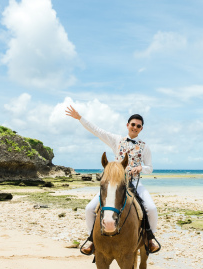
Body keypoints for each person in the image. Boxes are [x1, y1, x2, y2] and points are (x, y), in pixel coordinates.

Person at [64, 105, 160, 255]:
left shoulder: (144, 147)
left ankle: (150, 238)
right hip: (115, 183)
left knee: (151, 209)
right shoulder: (117, 140)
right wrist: (80, 118)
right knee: (90, 209)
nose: (135, 127)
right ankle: (91, 239)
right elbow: (97, 131)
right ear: (127, 125)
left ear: (141, 129)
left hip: (135, 182)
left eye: (138, 126)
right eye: (133, 124)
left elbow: (150, 167)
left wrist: (141, 168)